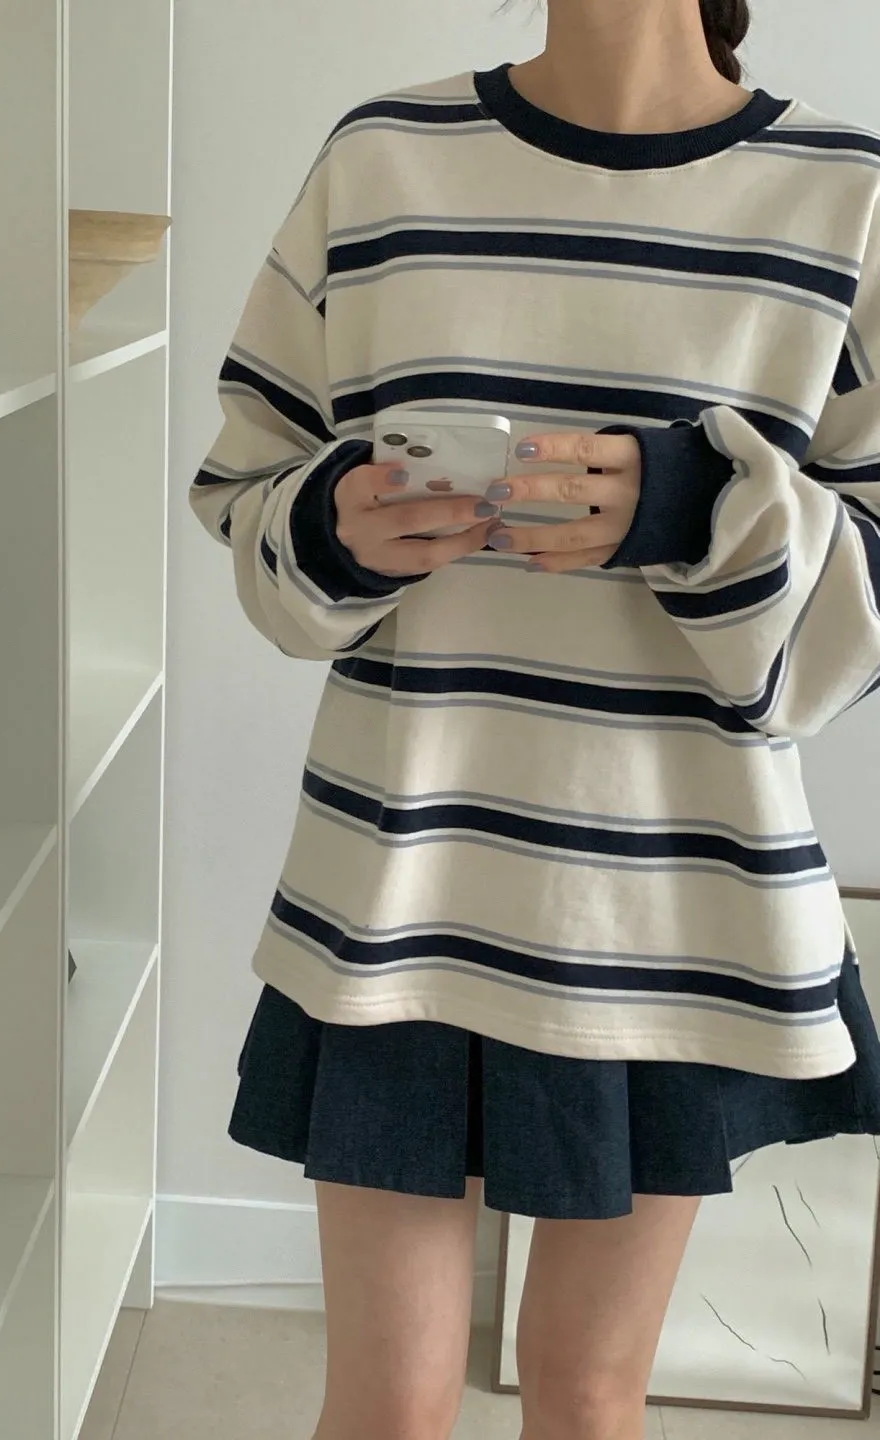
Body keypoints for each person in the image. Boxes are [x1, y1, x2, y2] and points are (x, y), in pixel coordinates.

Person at [190, 1, 880, 1436]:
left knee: (586, 1399)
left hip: (673, 907)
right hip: (401, 886)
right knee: (386, 1410)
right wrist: (336, 529)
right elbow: (245, 490)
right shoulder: (383, 162)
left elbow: (869, 601)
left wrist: (697, 510)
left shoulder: (847, 197)